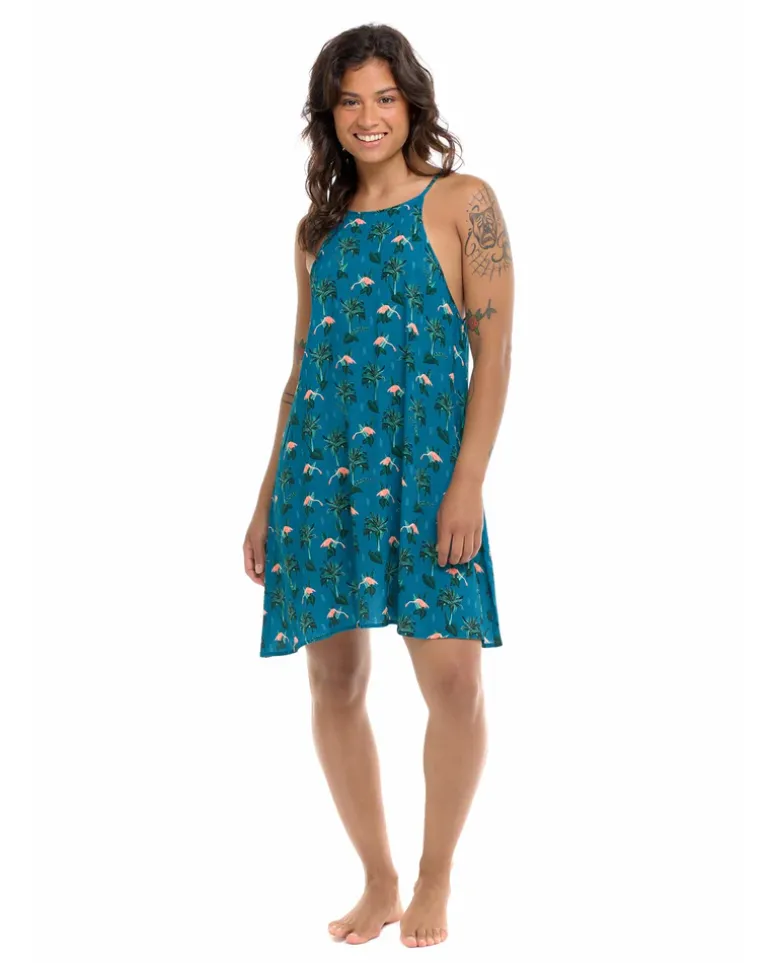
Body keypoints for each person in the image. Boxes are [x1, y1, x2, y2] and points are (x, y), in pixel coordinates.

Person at [243, 23, 514, 949]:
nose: (368, 116)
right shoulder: (316, 233)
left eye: (384, 97)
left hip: (430, 476)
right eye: (349, 101)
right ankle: (380, 876)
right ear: (329, 115)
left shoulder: (463, 202)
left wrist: (468, 482)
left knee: (454, 680)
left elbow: (494, 351)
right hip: (322, 476)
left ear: (412, 103)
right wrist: (265, 499)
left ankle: (436, 874)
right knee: (335, 679)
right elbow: (301, 372)